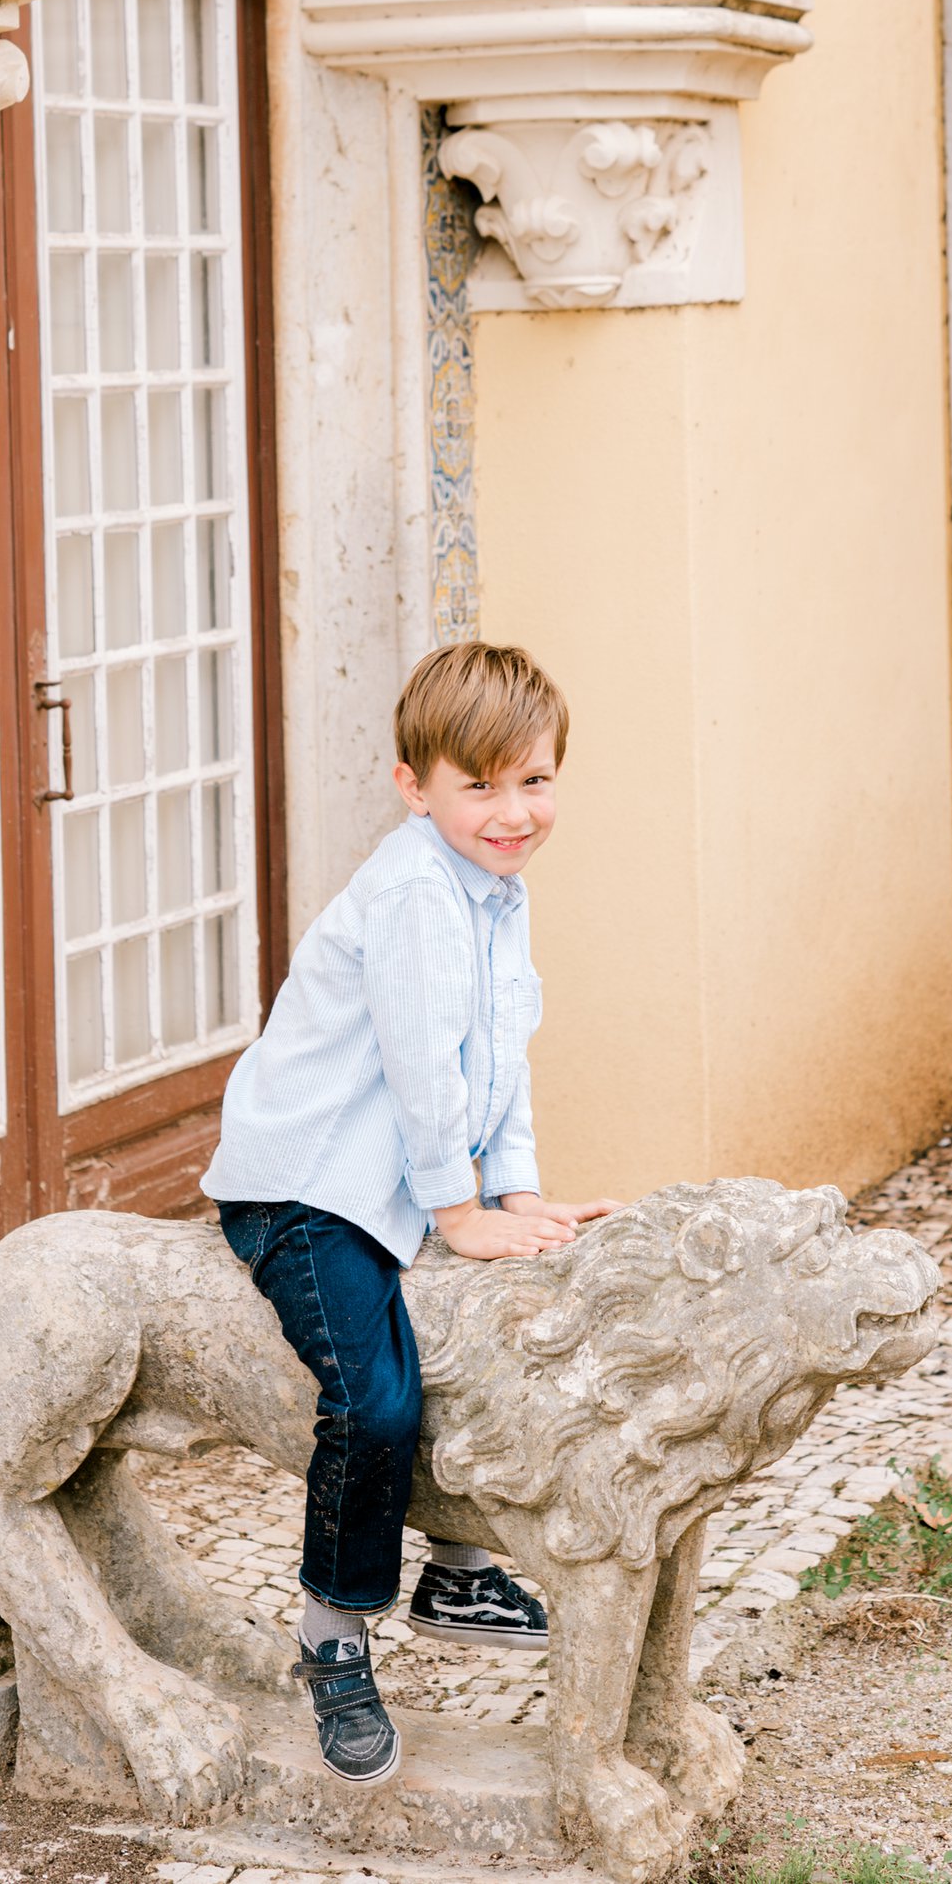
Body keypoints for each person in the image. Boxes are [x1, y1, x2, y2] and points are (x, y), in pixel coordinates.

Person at [202, 639, 619, 1786]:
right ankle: (333, 1633)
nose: (513, 810)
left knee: (489, 1335)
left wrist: (518, 1192)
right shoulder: (416, 896)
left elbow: (502, 1053)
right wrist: (460, 1210)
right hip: (308, 1185)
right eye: (479, 784)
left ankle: (459, 1568)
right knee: (375, 1395)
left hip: (395, 1180)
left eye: (534, 779)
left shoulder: (494, 888)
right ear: (413, 785)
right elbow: (424, 1067)